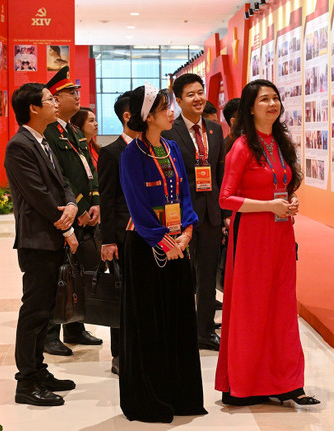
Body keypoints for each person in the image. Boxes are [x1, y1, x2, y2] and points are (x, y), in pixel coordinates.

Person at [216, 79, 320, 407]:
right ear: (250, 107)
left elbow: (282, 185)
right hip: (251, 238)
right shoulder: (242, 146)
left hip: (280, 233)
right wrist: (267, 207)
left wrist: (288, 203)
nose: (272, 104)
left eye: (275, 98)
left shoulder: (280, 143)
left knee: (283, 308)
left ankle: (288, 383)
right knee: (251, 309)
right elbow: (226, 198)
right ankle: (246, 384)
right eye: (264, 99)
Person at [119, 84, 206, 423]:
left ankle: (181, 395)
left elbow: (184, 194)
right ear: (149, 116)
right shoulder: (131, 155)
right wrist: (163, 242)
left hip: (177, 245)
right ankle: (150, 398)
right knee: (149, 324)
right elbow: (137, 206)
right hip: (146, 248)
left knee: (178, 319)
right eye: (166, 107)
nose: (173, 112)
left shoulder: (171, 148)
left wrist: (186, 232)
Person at [4, 83, 79, 406]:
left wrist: (72, 205)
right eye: (50, 100)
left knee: (46, 310)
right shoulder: (19, 145)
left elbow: (61, 183)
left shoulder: (43, 140)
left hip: (52, 235)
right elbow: (38, 196)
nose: (55, 104)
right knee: (34, 312)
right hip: (37, 241)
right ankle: (26, 382)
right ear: (33, 108)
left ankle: (39, 369)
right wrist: (66, 227)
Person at [162, 74, 226, 351]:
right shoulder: (168, 131)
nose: (198, 98)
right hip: (181, 217)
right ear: (178, 100)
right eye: (191, 94)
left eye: (200, 92)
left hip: (210, 214)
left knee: (208, 274)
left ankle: (204, 330)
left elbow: (220, 174)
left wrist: (223, 212)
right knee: (180, 276)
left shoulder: (215, 130)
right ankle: (179, 329)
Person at [43, 67, 103, 355]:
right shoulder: (49, 133)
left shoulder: (74, 131)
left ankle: (76, 326)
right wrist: (77, 206)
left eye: (77, 92)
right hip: (64, 214)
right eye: (70, 93)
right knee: (59, 273)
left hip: (84, 212)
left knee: (78, 271)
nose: (77, 96)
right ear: (55, 99)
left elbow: (88, 170)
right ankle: (51, 333)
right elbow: (59, 177)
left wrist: (94, 201)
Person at [96, 91, 135, 376]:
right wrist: (108, 240)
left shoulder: (156, 148)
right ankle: (119, 354)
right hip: (122, 235)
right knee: (121, 296)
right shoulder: (111, 153)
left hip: (150, 235)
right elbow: (106, 200)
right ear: (128, 115)